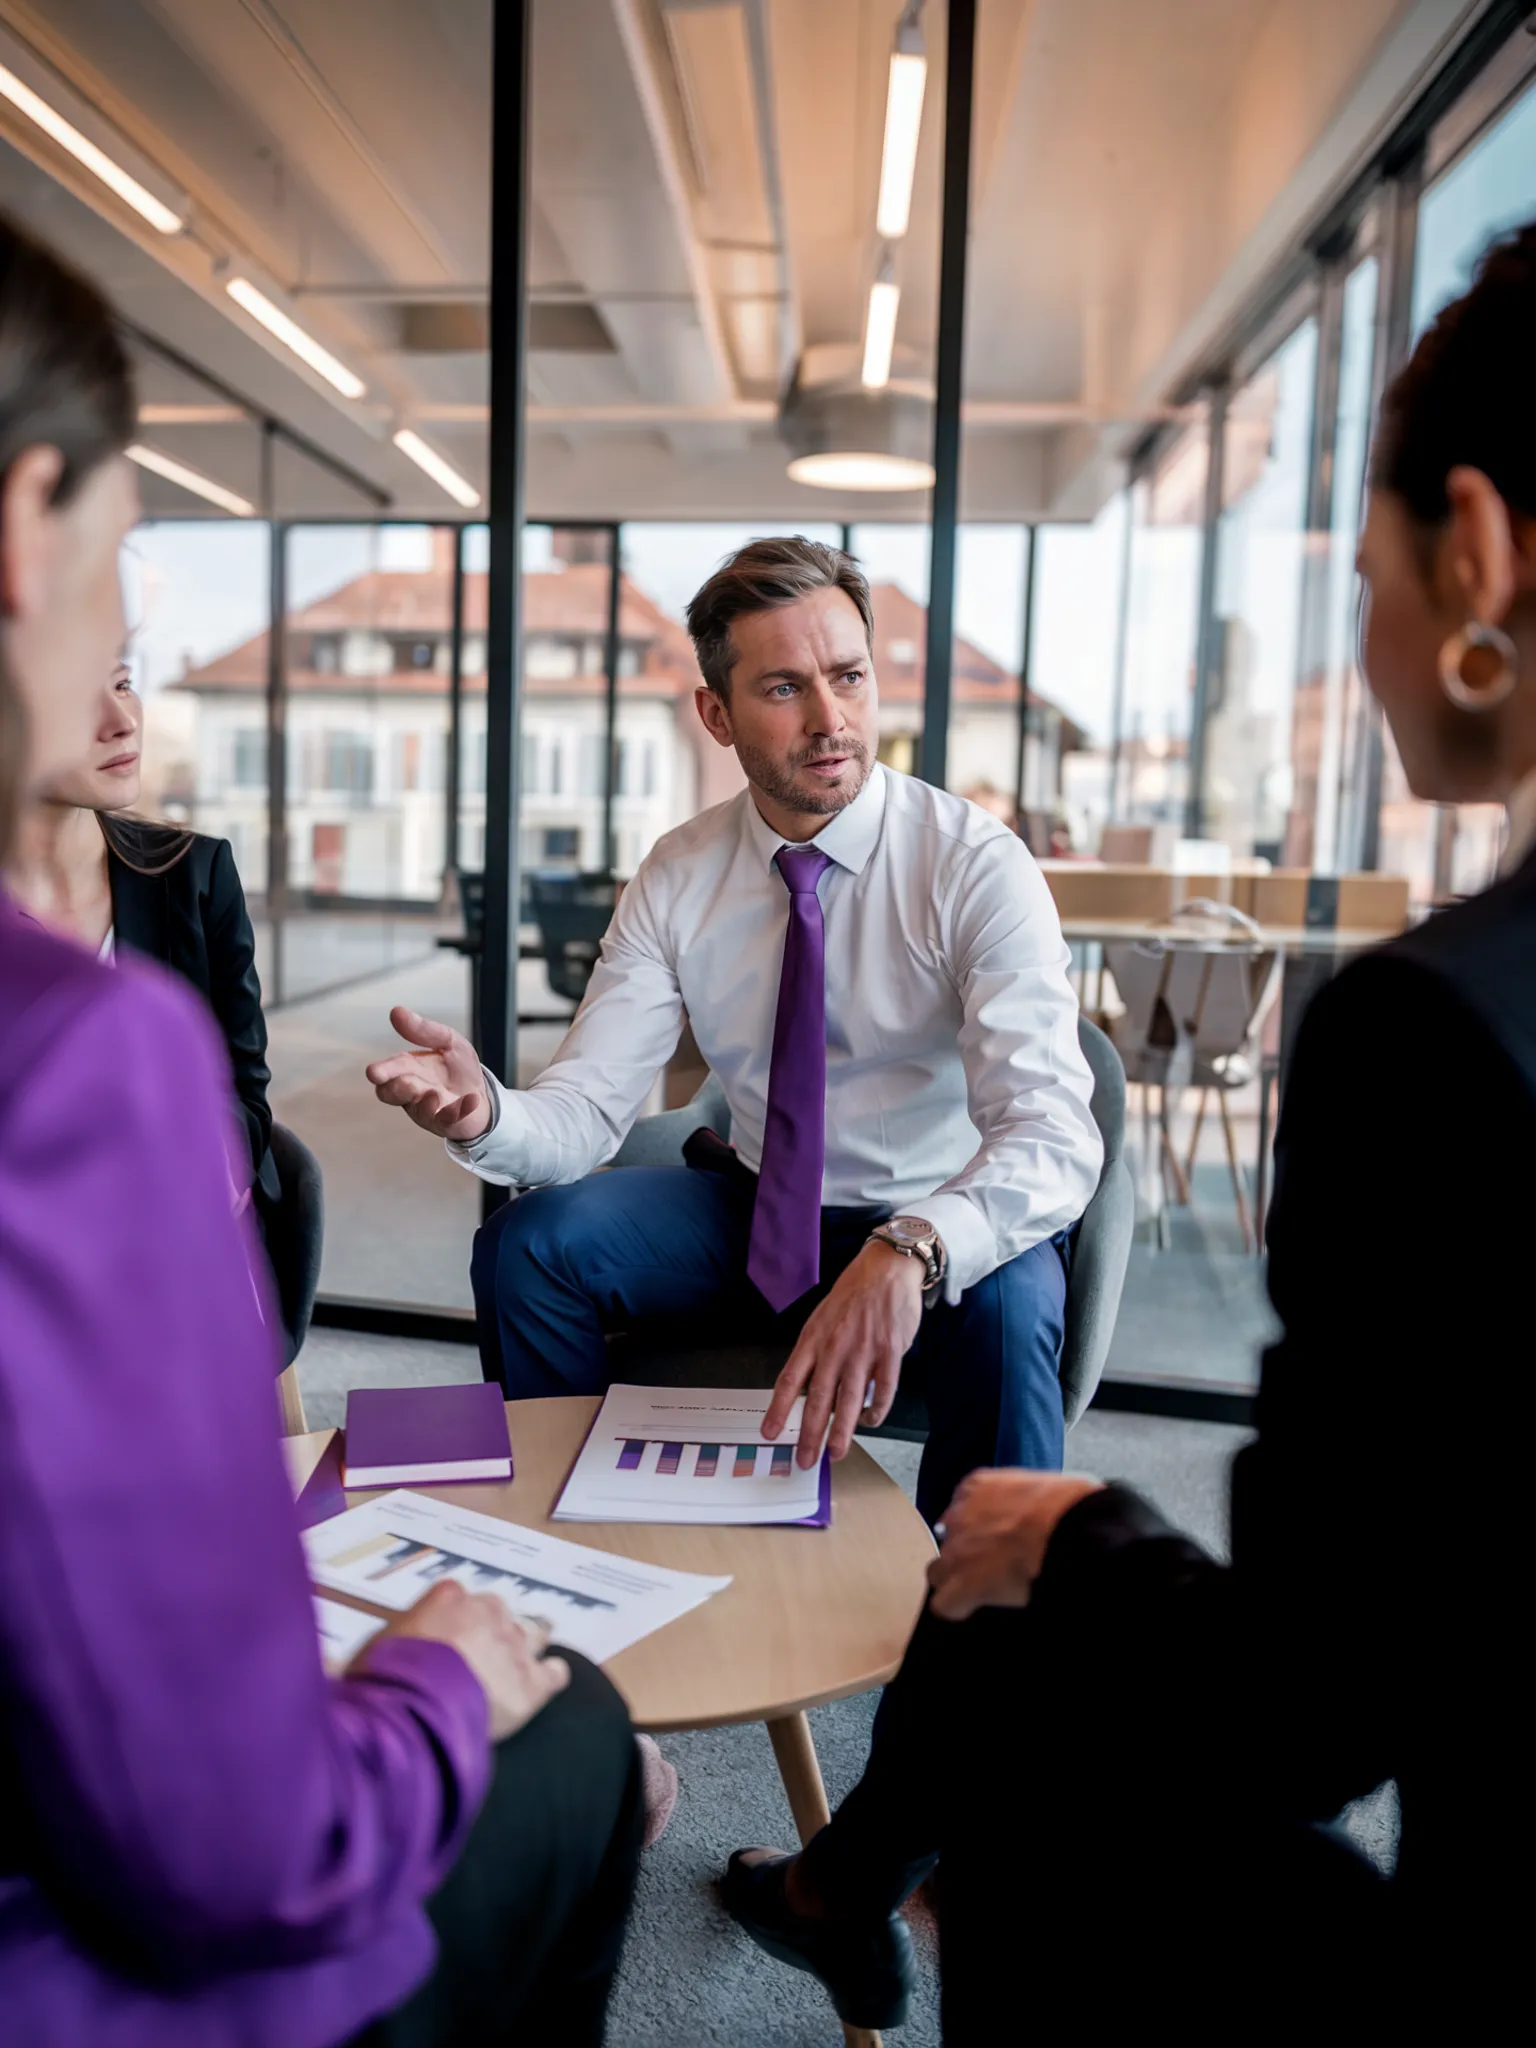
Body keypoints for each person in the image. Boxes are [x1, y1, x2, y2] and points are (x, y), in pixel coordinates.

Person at [718, 224, 1536, 2037]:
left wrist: (1087, 1530)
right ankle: (839, 1881)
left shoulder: (1432, 1029)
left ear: (1475, 550)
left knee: (1015, 1588)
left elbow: (1316, 1714)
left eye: (1367, 566)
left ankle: (855, 1883)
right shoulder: (695, 880)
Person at [0, 211, 639, 2045]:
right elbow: (235, 1855)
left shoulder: (171, 906)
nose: (122, 668)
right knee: (573, 1721)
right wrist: (433, 1680)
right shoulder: (72, 1062)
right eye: (115, 553)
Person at [367, 538, 1103, 1523]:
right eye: (785, 688)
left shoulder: (974, 866)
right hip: (759, 1217)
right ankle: (570, 1527)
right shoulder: (680, 874)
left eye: (848, 676)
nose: (832, 719)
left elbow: (1052, 1133)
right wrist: (484, 1112)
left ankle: (978, 1637)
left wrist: (912, 1246)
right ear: (716, 712)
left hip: (941, 1219)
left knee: (1015, 1313)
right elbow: (586, 1111)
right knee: (530, 1247)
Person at [3, 656, 279, 1208]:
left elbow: (244, 1097)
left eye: (124, 684)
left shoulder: (197, 876)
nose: (122, 720)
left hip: (179, 1221)